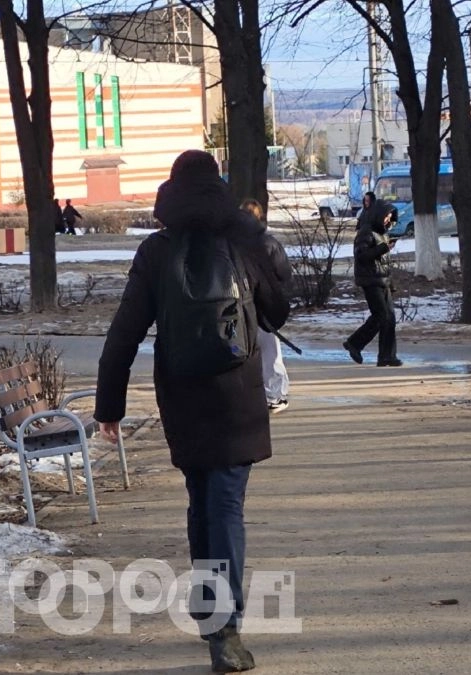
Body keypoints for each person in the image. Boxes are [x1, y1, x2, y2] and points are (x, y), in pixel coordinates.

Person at [94, 150, 291, 672]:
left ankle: (212, 615)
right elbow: (278, 312)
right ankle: (224, 629)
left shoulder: (156, 252)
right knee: (225, 505)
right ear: (220, 189)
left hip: (182, 394)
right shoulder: (244, 241)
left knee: (202, 500)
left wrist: (108, 405)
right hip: (236, 395)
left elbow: (125, 331)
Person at [239, 197, 291, 413]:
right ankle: (275, 394)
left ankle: (263, 393)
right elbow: (284, 274)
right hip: (265, 304)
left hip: (244, 305)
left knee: (250, 350)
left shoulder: (233, 243)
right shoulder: (268, 243)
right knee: (270, 351)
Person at [343, 202, 402, 367]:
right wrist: (384, 248)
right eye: (386, 216)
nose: (388, 220)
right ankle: (355, 343)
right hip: (370, 281)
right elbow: (362, 256)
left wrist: (390, 283)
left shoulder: (382, 233)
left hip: (382, 281)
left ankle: (387, 356)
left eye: (390, 217)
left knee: (389, 318)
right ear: (378, 215)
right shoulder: (365, 232)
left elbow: (383, 263)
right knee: (381, 316)